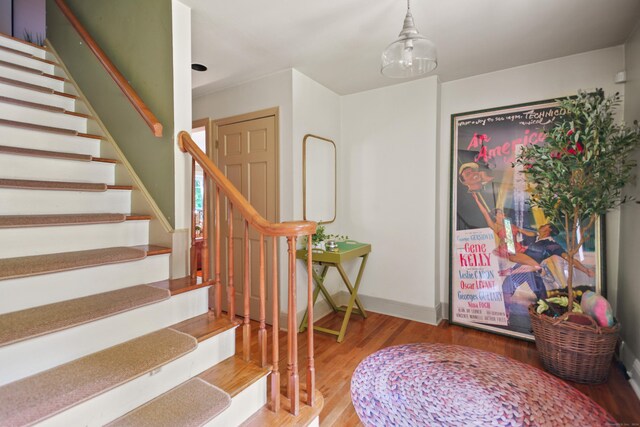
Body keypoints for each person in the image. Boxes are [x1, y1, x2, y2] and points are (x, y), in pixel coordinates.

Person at [502, 222, 595, 319]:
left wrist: (585, 270)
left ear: (549, 229)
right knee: (506, 289)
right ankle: (506, 315)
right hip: (520, 267)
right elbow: (513, 250)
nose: (541, 225)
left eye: (545, 225)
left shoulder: (551, 244)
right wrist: (510, 230)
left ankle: (552, 318)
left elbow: (569, 259)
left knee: (542, 298)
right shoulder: (532, 239)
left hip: (532, 271)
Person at [471, 192, 539, 269]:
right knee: (521, 259)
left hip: (517, 248)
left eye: (502, 213)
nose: (503, 214)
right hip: (508, 251)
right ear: (496, 216)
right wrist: (477, 200)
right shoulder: (495, 226)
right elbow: (485, 213)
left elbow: (526, 232)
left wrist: (537, 234)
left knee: (533, 257)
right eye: (500, 213)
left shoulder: (509, 225)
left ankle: (538, 268)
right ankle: (538, 268)